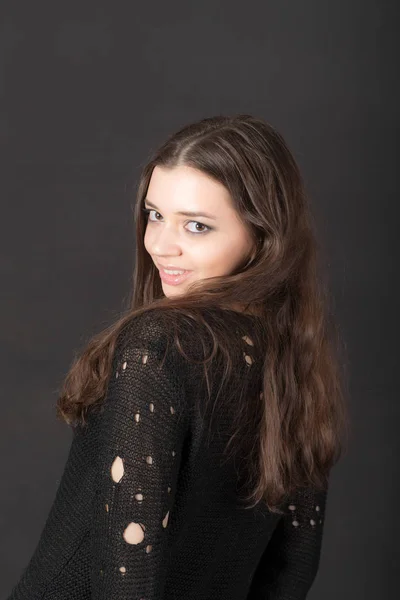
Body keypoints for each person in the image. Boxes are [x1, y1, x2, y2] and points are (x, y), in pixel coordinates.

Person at [6, 114, 349, 599]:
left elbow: (126, 579)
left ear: (263, 236)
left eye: (196, 226)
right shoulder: (295, 363)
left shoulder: (159, 342)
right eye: (154, 214)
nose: (161, 245)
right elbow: (292, 572)